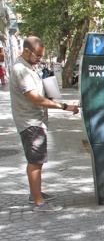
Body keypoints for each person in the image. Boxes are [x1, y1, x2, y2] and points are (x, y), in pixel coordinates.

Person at [9, 36, 80, 212]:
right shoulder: (21, 69)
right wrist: (63, 106)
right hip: (30, 121)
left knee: (37, 160)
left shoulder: (28, 67)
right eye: (38, 56)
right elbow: (33, 97)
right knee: (35, 161)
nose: (39, 59)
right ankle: (38, 202)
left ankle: (36, 193)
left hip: (35, 120)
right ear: (26, 51)